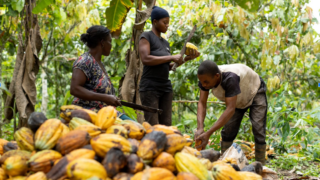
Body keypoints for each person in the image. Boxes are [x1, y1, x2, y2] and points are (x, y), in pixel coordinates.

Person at [195, 60, 268, 165]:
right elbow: (202, 103)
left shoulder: (230, 78)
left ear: (216, 76)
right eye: (201, 82)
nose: (203, 85)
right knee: (228, 130)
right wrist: (200, 128)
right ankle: (226, 163)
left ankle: (260, 165)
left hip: (254, 90)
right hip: (236, 99)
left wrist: (208, 133)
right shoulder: (205, 78)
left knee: (258, 128)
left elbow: (230, 109)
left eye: (206, 82)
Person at [139, 6, 200, 126]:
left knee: (166, 124)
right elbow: (145, 59)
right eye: (164, 22)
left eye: (168, 23)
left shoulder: (165, 43)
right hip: (150, 87)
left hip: (165, 87)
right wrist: (171, 57)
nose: (167, 25)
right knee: (152, 124)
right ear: (155, 22)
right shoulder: (146, 36)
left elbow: (168, 67)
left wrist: (187, 59)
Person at [70, 25, 131, 120]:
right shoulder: (85, 61)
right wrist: (104, 98)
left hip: (106, 112)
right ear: (102, 42)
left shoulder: (99, 63)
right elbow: (74, 89)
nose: (111, 45)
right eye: (110, 42)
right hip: (88, 111)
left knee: (136, 126)